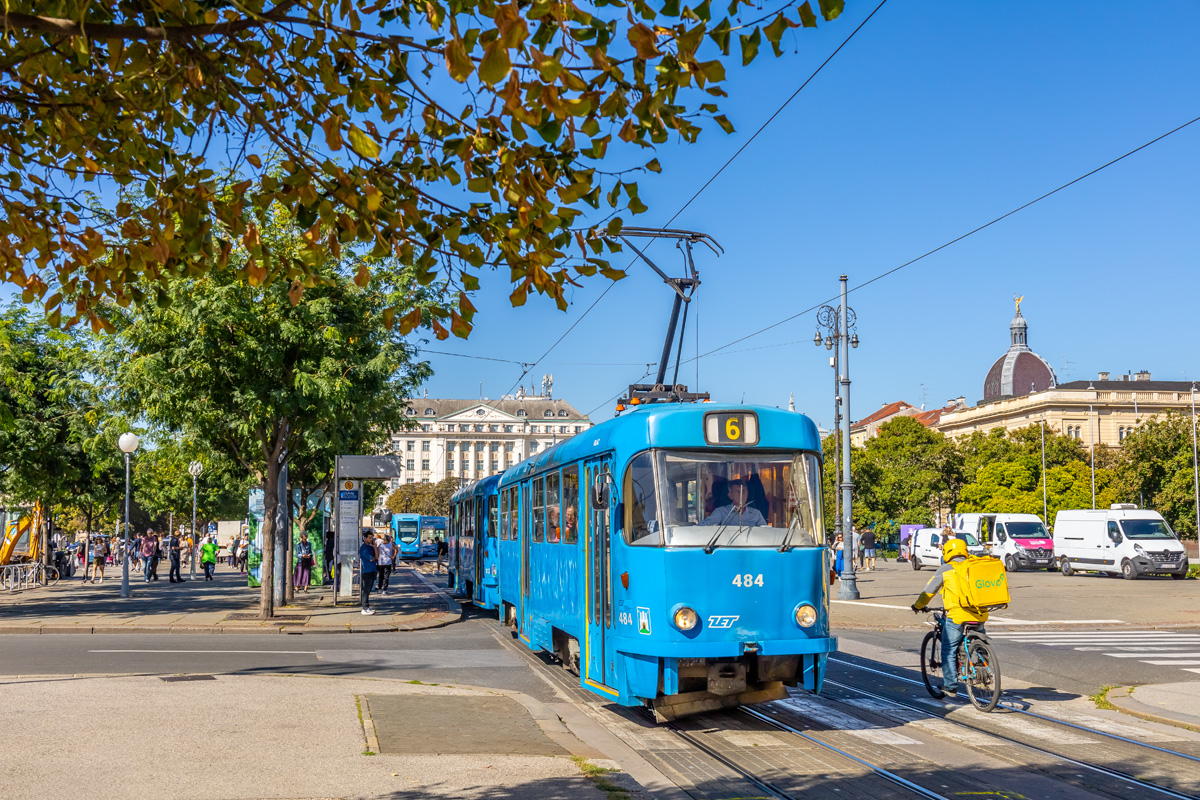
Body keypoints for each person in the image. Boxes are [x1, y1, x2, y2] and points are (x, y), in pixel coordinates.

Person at [911, 538, 989, 698]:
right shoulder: (974, 565)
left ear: (947, 553)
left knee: (948, 649)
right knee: (980, 641)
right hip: (980, 613)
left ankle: (950, 686)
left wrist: (918, 606)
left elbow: (929, 592)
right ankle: (984, 663)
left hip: (958, 615)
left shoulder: (946, 568)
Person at [701, 479, 767, 528]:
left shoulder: (756, 514)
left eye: (743, 491)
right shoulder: (721, 512)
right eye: (738, 491)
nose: (741, 494)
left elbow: (765, 532)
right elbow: (704, 525)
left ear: (747, 494)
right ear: (730, 495)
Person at [359, 530, 378, 615]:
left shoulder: (371, 547)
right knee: (366, 590)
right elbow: (372, 559)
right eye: (369, 538)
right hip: (366, 571)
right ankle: (365, 607)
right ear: (365, 538)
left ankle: (367, 607)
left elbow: (377, 557)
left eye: (372, 538)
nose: (371, 540)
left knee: (369, 589)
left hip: (373, 570)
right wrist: (374, 557)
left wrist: (375, 547)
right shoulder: (363, 548)